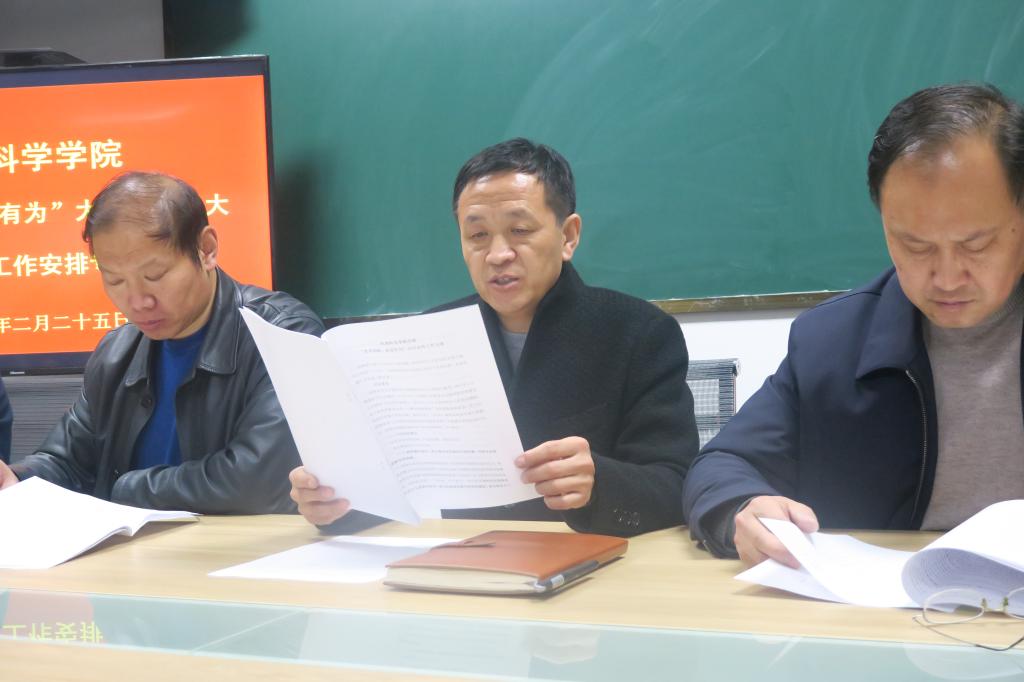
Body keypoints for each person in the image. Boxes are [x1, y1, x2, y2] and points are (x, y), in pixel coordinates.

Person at [683, 83, 1024, 566]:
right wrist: (742, 507)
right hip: (890, 601)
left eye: (976, 244)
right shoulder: (832, 342)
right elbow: (723, 463)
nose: (947, 277)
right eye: (916, 246)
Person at [291, 138, 699, 536]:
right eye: (478, 236)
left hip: (589, 561)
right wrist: (336, 504)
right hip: (459, 557)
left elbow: (676, 483)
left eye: (519, 230)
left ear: (568, 236)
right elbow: (400, 481)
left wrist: (599, 483)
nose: (498, 254)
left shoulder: (638, 332)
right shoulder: (428, 338)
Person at [0, 171, 325, 513]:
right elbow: (68, 461)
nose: (138, 301)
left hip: (245, 546)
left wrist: (126, 489)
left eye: (155, 276)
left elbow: (260, 477)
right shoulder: (116, 353)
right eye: (115, 281)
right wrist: (18, 479)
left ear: (206, 249)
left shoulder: (281, 332)